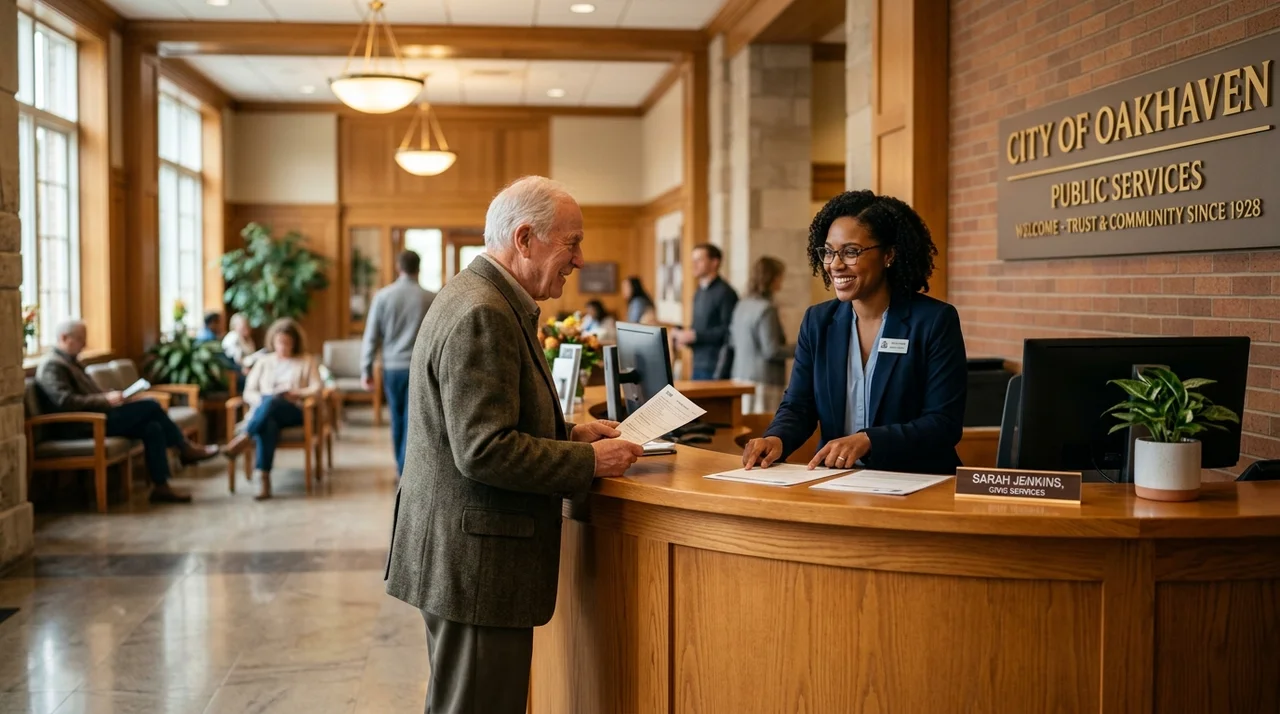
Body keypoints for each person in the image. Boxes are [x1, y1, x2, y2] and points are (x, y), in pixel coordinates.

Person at [384, 176, 644, 714]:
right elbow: (484, 449)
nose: (579, 259)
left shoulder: (479, 294)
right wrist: (588, 461)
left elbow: (484, 421)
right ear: (525, 239)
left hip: (464, 554)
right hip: (477, 561)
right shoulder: (484, 312)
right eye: (571, 242)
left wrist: (569, 434)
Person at [741, 190, 967, 475]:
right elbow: (799, 405)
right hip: (838, 480)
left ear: (888, 255)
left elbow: (943, 423)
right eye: (829, 252)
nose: (835, 264)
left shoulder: (934, 321)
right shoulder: (818, 321)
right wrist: (777, 438)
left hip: (916, 480)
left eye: (851, 252)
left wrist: (869, 440)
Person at [35, 319, 218, 504]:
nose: (84, 344)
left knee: (152, 428)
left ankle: (161, 487)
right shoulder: (52, 365)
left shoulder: (72, 362)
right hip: (82, 425)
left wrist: (112, 396)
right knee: (151, 405)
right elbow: (65, 402)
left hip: (97, 416)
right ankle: (184, 448)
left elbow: (86, 394)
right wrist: (105, 400)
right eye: (81, 339)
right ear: (64, 338)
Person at [221, 318, 323, 500]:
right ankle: (264, 480)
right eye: (279, 342)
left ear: (294, 343)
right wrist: (262, 401)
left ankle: (245, 437)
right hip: (266, 411)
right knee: (268, 421)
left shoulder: (306, 361)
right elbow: (249, 391)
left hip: (294, 410)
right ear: (273, 342)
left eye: (287, 342)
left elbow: (317, 388)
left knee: (273, 401)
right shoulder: (263, 362)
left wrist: (297, 393)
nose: (283, 346)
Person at [361, 250, 436, 477]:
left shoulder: (383, 297)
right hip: (420, 368)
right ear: (419, 268)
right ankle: (407, 469)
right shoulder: (431, 298)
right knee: (414, 421)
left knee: (396, 417)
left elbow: (371, 336)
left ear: (398, 267)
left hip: (392, 368)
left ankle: (400, 468)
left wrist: (366, 369)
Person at [729, 256, 795, 414]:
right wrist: (801, 347)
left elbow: (732, 341)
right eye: (780, 277)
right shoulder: (766, 309)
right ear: (772, 278)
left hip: (740, 376)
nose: (781, 282)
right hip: (763, 381)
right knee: (762, 426)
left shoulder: (742, 304)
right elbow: (771, 350)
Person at [673, 244, 738, 380]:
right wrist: (683, 336)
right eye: (693, 260)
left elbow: (729, 331)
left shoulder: (725, 293)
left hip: (715, 366)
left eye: (699, 260)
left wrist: (695, 336)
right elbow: (701, 327)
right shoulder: (699, 291)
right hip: (697, 362)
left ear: (714, 263)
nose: (693, 265)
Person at [221, 313, 258, 393]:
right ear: (235, 326)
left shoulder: (248, 339)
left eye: (247, 325)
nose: (246, 328)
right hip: (235, 371)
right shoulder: (232, 338)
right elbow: (230, 361)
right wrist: (242, 368)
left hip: (248, 368)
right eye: (243, 326)